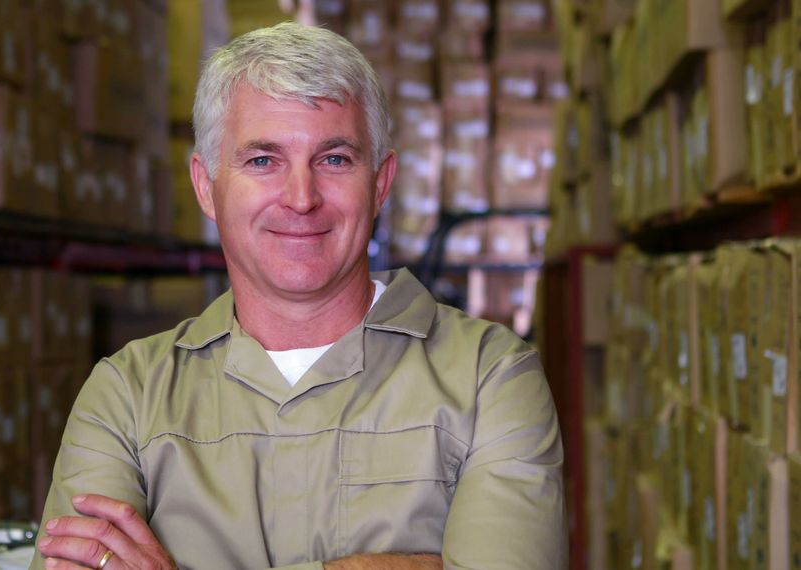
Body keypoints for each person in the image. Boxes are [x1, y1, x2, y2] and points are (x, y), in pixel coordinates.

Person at [31, 22, 565, 570]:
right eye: (263, 160)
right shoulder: (126, 397)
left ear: (380, 183)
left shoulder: (490, 377)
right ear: (204, 185)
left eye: (334, 159)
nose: (301, 198)